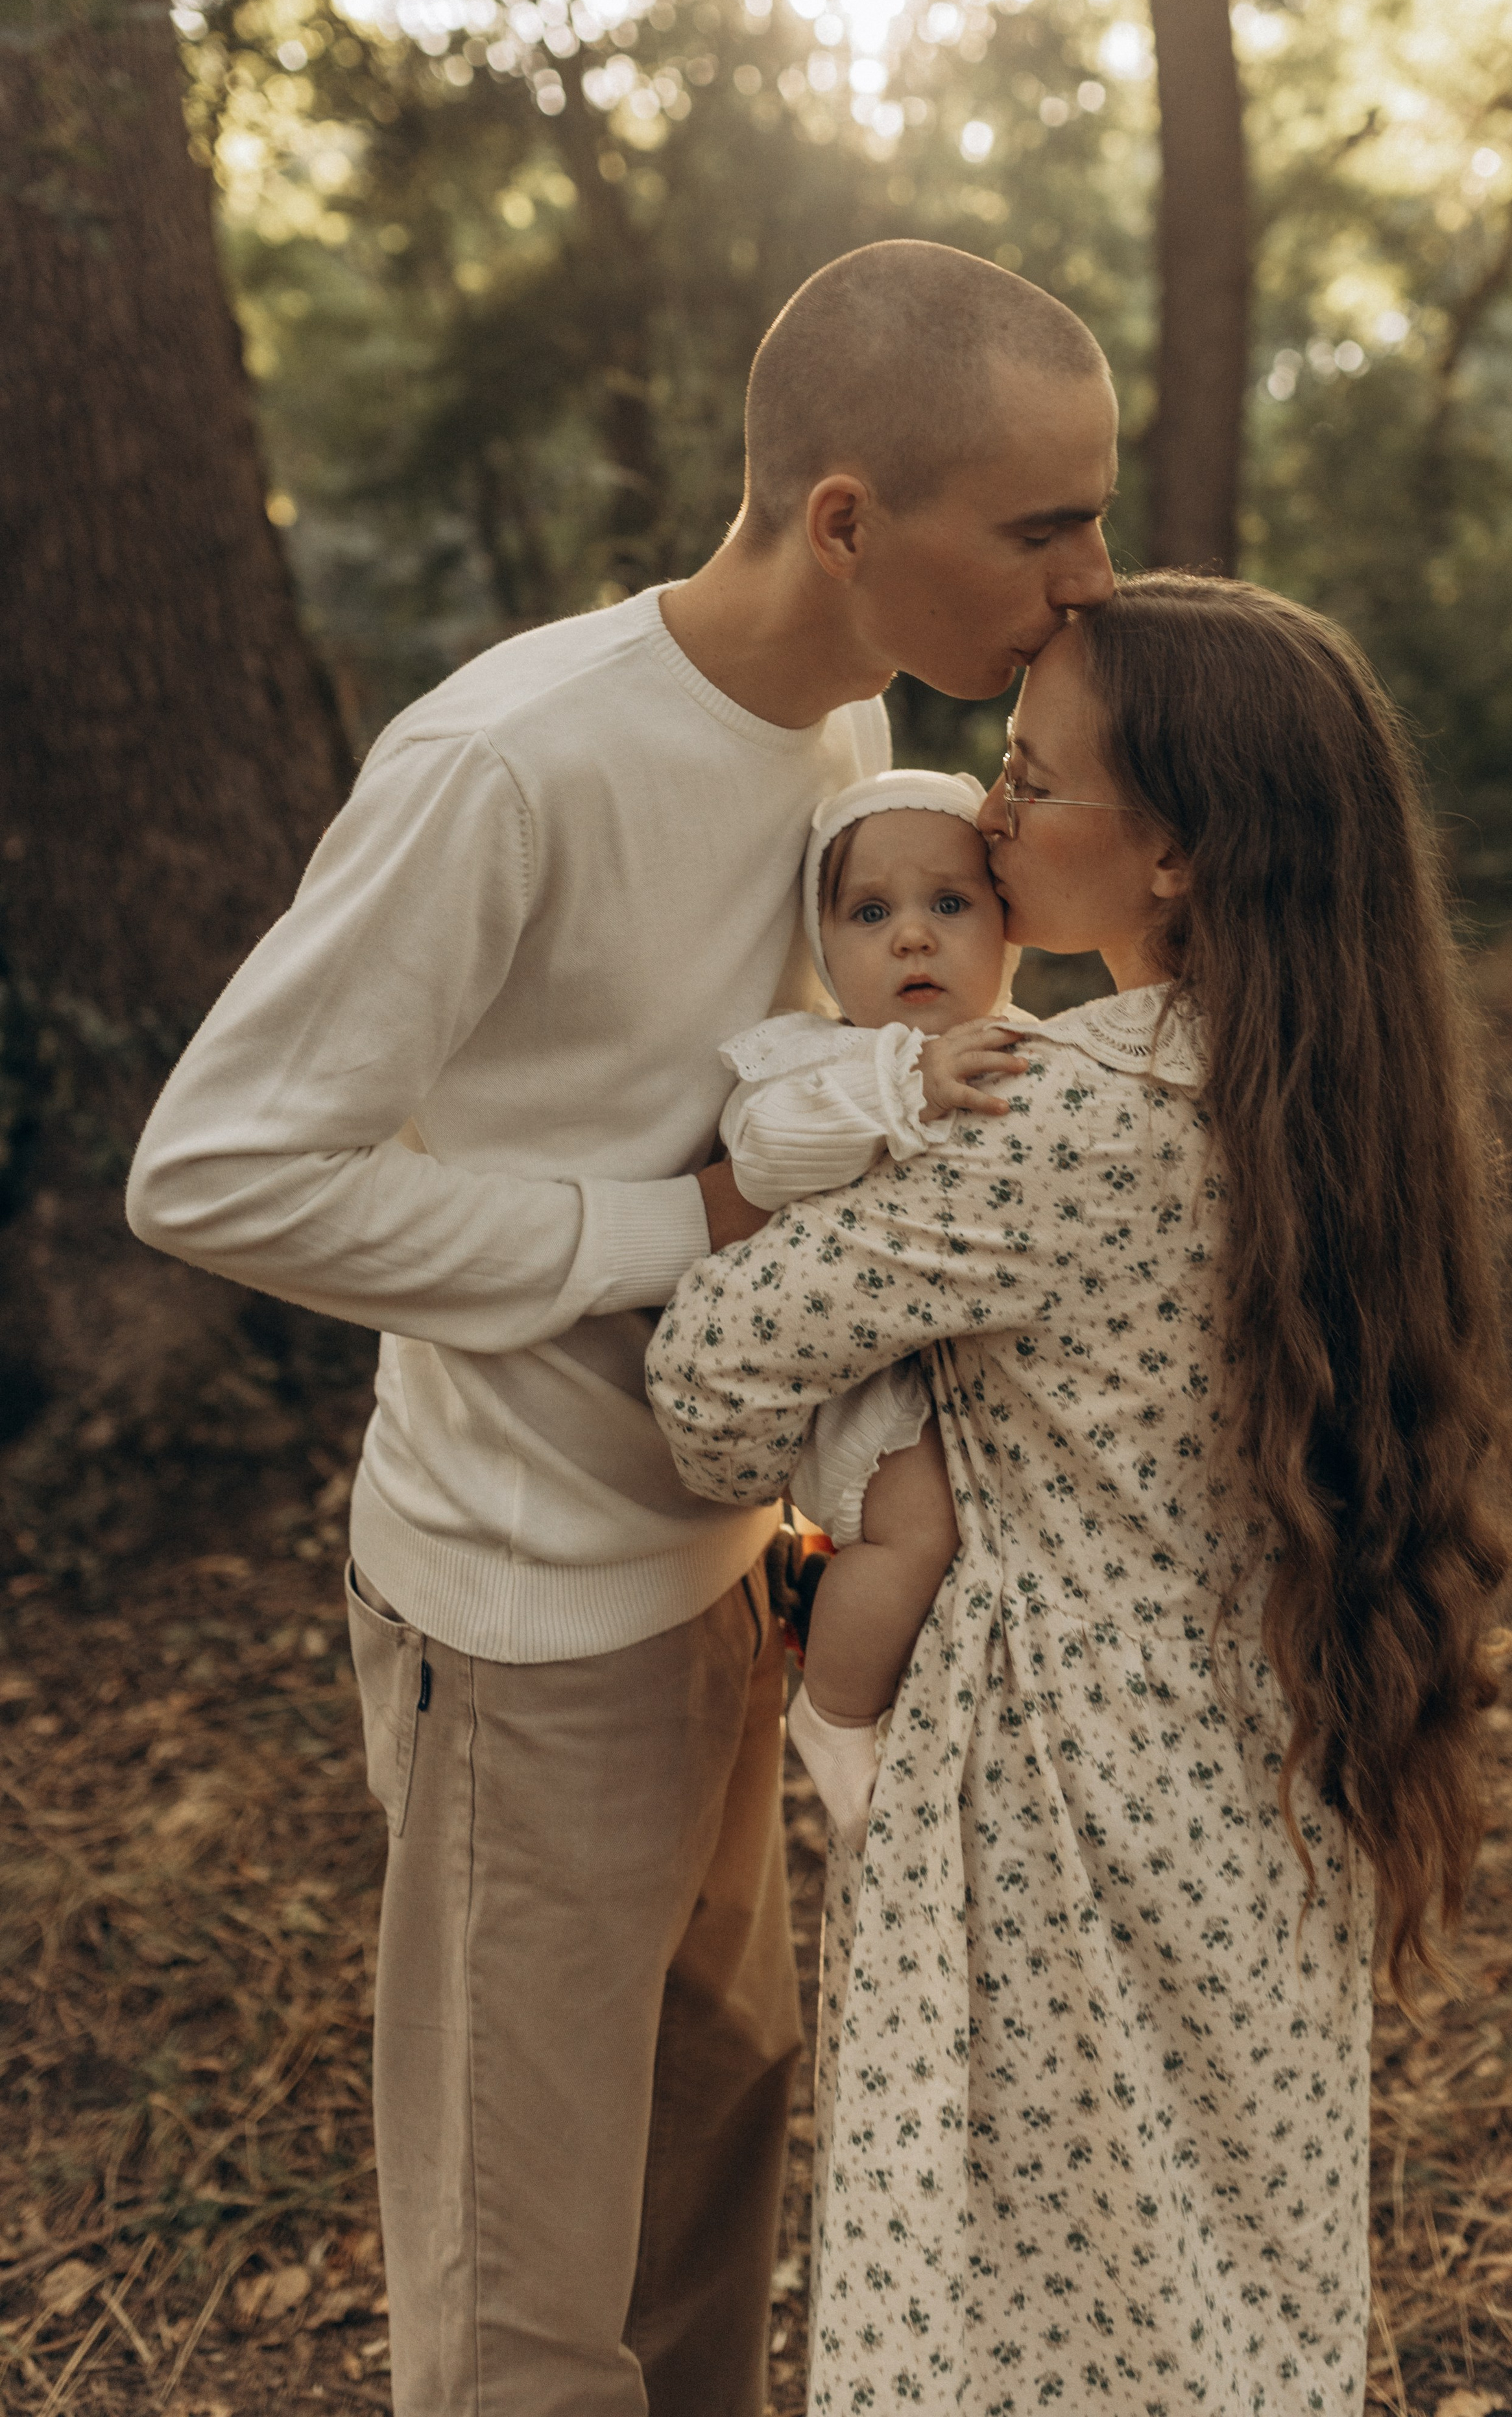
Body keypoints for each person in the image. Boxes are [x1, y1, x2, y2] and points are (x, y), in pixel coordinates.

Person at [123, 238, 1117, 2417]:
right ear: (853, 520)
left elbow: (789, 1107)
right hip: (522, 1617)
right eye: (1046, 525)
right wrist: (666, 1230)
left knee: (711, 2187)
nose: (1087, 576)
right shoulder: (509, 762)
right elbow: (215, 1171)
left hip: (731, 1579)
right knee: (524, 2302)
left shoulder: (849, 730)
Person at [647, 573, 1512, 2414]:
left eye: (1031, 783)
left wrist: (830, 1480)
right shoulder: (1335, 1084)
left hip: (1057, 1804)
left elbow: (711, 1380)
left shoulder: (1053, 1118)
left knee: (1008, 2311)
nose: (986, 816)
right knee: (1212, 2288)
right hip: (1277, 1758)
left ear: (1179, 852)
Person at [713, 768, 1032, 1845]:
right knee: (916, 1531)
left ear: (1007, 932)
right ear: (822, 944)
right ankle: (838, 1712)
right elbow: (761, 1157)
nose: (912, 939)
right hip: (871, 1393)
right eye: (870, 912)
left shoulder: (1027, 1046)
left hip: (988, 1378)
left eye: (950, 905)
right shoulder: (816, 1060)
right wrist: (905, 1088)